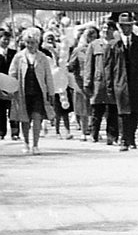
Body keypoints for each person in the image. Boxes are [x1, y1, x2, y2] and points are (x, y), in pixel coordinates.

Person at [5, 27, 55, 155]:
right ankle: (26, 143)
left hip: (38, 93)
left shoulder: (42, 57)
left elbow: (48, 76)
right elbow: (12, 73)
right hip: (23, 93)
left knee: (37, 118)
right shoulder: (18, 57)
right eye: (28, 42)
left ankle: (36, 145)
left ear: (38, 43)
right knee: (25, 119)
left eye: (32, 42)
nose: (30, 45)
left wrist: (51, 92)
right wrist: (11, 89)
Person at [107, 12, 138, 152]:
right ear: (119, 27)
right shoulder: (113, 45)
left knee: (135, 111)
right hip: (120, 82)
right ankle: (124, 139)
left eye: (129, 25)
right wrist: (109, 86)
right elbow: (108, 67)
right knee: (122, 112)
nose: (126, 28)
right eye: (123, 26)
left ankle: (131, 138)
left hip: (136, 82)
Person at [84, 20, 120, 144]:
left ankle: (112, 137)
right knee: (96, 111)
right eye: (104, 28)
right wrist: (87, 82)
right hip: (98, 82)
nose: (106, 30)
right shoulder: (94, 45)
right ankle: (94, 134)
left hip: (113, 82)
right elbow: (89, 65)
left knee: (113, 111)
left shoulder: (117, 44)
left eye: (108, 28)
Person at [67, 25, 96, 140]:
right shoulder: (78, 50)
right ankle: (84, 131)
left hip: (94, 81)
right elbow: (71, 65)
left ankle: (94, 130)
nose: (91, 39)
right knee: (83, 108)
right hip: (81, 82)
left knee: (94, 107)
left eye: (94, 37)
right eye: (90, 37)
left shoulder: (98, 48)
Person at [0, 26, 17, 140]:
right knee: (1, 109)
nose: (6, 41)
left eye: (7, 39)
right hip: (0, 83)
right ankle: (1, 131)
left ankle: (15, 132)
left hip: (11, 83)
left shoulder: (14, 53)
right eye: (3, 39)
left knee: (14, 109)